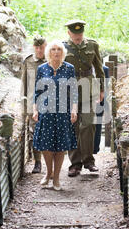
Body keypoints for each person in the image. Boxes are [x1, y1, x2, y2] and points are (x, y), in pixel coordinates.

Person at [32, 40, 78, 191]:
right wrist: (35, 110)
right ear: (49, 52)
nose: (56, 52)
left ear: (63, 52)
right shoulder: (42, 69)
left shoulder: (69, 68)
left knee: (60, 147)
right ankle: (48, 173)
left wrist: (74, 109)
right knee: (46, 145)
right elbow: (36, 92)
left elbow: (74, 92)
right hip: (46, 111)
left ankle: (57, 178)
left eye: (59, 49)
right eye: (53, 49)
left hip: (63, 112)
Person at [63, 20, 105, 177]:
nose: (78, 37)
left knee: (88, 125)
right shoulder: (62, 47)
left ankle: (89, 161)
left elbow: (99, 69)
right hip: (69, 91)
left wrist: (102, 90)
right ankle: (75, 164)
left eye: (80, 34)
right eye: (75, 34)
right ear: (69, 33)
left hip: (88, 90)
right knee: (72, 127)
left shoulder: (92, 45)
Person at [20, 35, 47, 173]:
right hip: (32, 103)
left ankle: (50, 162)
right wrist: (24, 107)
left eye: (42, 47)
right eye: (37, 47)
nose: (39, 50)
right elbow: (24, 85)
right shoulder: (28, 61)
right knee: (35, 133)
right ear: (34, 47)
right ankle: (37, 162)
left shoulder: (52, 60)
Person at [93, 64, 110, 154]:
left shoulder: (105, 69)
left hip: (100, 100)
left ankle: (95, 148)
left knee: (97, 124)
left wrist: (101, 98)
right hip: (85, 100)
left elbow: (106, 86)